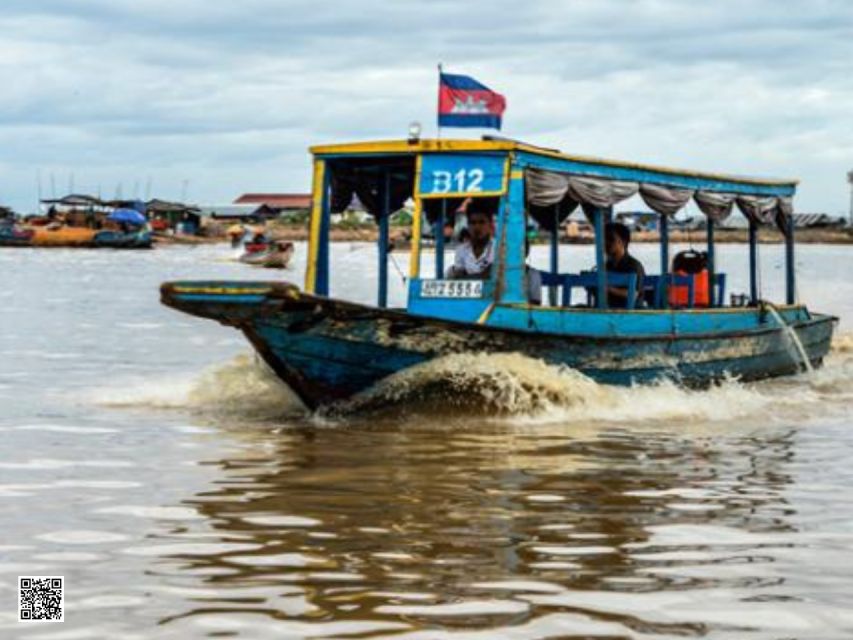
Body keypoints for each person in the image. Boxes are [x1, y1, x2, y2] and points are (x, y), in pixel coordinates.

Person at [604, 222, 645, 308]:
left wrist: (609, 289)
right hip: (609, 311)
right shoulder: (607, 265)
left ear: (622, 242)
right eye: (604, 239)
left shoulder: (634, 265)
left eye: (611, 239)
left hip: (631, 312)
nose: (606, 243)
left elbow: (633, 294)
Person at [447, 209, 494, 279]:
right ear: (468, 226)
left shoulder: (498, 247)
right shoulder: (461, 249)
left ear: (490, 226)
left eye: (482, 222)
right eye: (473, 223)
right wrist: (482, 275)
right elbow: (459, 277)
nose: (477, 227)